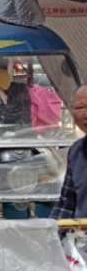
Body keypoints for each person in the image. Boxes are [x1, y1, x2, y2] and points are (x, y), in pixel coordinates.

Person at [52, 86, 87, 220]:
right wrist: (52, 236)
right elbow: (66, 204)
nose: (86, 114)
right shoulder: (76, 151)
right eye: (80, 108)